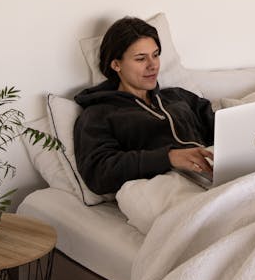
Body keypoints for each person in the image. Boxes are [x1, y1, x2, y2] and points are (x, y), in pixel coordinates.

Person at [73, 16, 215, 197]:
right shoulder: (98, 114)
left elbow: (224, 129)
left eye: (155, 55)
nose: (153, 65)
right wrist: (169, 157)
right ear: (116, 64)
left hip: (213, 178)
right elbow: (99, 173)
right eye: (141, 59)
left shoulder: (178, 97)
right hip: (164, 191)